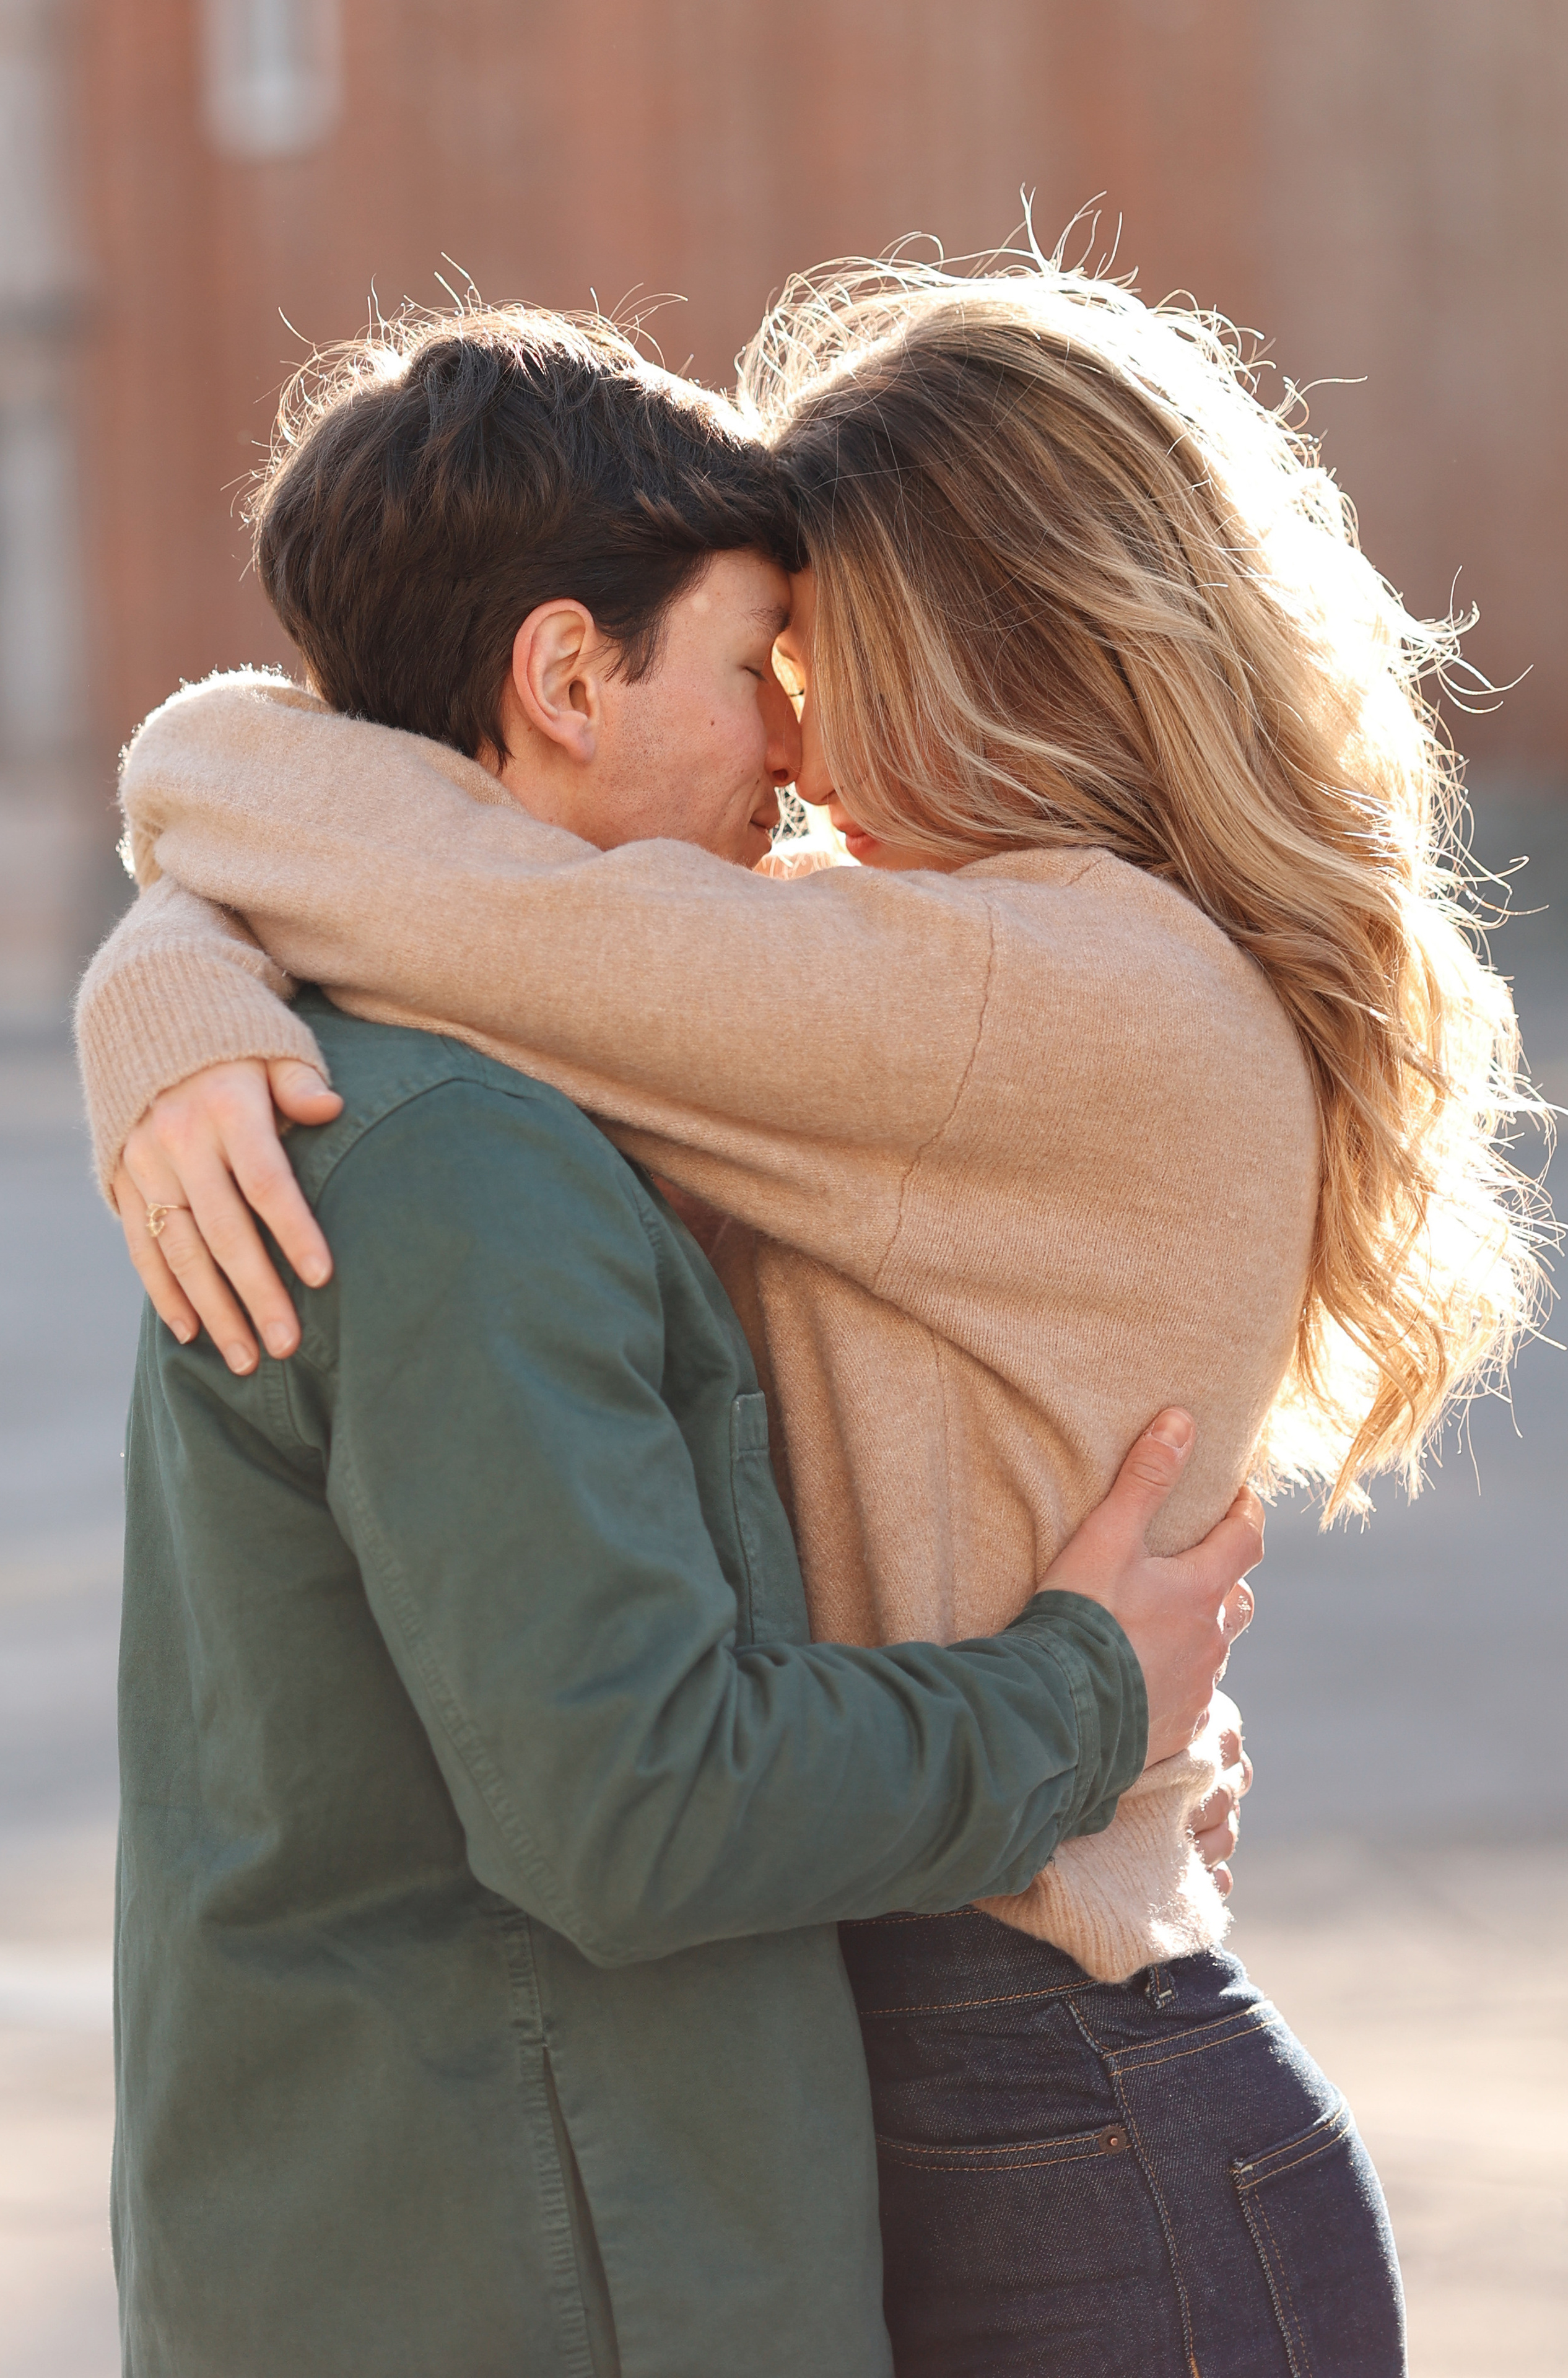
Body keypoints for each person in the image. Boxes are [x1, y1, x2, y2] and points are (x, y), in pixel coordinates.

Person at [79, 244, 1538, 2370]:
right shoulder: (917, 969)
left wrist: (180, 946)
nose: (798, 738)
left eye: (825, 658)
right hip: (956, 2073)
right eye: (776, 665)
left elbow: (390, 855)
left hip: (1058, 2110)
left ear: (1006, 654)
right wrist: (183, 967)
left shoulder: (1052, 993)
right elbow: (435, 865)